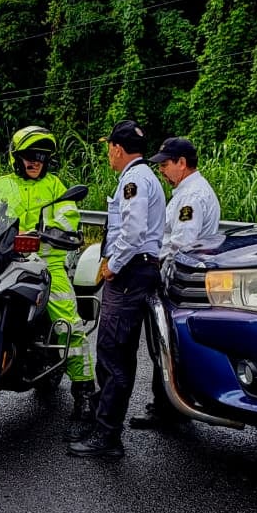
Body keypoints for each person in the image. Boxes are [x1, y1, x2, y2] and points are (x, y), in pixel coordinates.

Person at [0, 126, 97, 424]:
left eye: (41, 156)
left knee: (68, 323)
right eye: (29, 155)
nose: (35, 161)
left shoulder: (56, 187)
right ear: (15, 157)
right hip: (4, 259)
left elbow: (68, 218)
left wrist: (55, 232)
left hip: (46, 263)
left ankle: (84, 392)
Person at [67, 119, 166, 460]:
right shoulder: (141, 176)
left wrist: (114, 264)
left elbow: (133, 231)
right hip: (137, 271)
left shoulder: (134, 180)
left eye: (109, 147)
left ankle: (107, 435)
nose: (108, 153)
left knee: (114, 353)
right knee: (117, 351)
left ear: (117, 148)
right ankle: (102, 423)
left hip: (130, 272)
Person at [129, 136, 223, 430]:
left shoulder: (191, 197)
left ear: (182, 163)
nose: (162, 171)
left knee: (166, 345)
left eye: (165, 164)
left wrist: (151, 262)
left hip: (177, 279)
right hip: (181, 278)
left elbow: (181, 243)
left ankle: (168, 410)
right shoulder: (188, 191)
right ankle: (169, 407)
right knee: (168, 345)